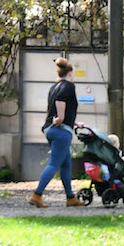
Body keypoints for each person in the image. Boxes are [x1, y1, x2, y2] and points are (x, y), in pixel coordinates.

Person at [28, 57, 82, 208]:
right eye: (74, 73)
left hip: (51, 129)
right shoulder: (68, 86)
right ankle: (37, 195)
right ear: (70, 73)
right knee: (54, 164)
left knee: (65, 164)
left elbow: (57, 106)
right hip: (61, 131)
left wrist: (74, 122)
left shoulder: (54, 86)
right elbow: (61, 99)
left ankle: (71, 198)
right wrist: (62, 118)